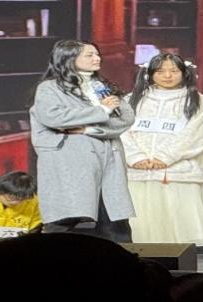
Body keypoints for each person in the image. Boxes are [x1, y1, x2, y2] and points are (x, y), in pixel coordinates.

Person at [28, 39, 135, 241]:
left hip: (108, 160)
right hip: (70, 162)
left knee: (114, 221)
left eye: (97, 54)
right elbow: (53, 117)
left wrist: (89, 129)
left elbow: (125, 118)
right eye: (89, 55)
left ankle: (120, 259)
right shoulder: (50, 88)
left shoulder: (102, 87)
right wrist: (101, 110)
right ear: (69, 58)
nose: (97, 58)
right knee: (67, 219)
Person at [120, 53, 203, 246]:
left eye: (174, 71)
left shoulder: (197, 101)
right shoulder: (131, 99)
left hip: (176, 171)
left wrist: (165, 157)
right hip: (138, 170)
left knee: (179, 229)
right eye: (160, 71)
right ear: (149, 73)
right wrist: (135, 157)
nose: (167, 76)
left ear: (184, 73)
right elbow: (121, 130)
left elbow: (194, 134)